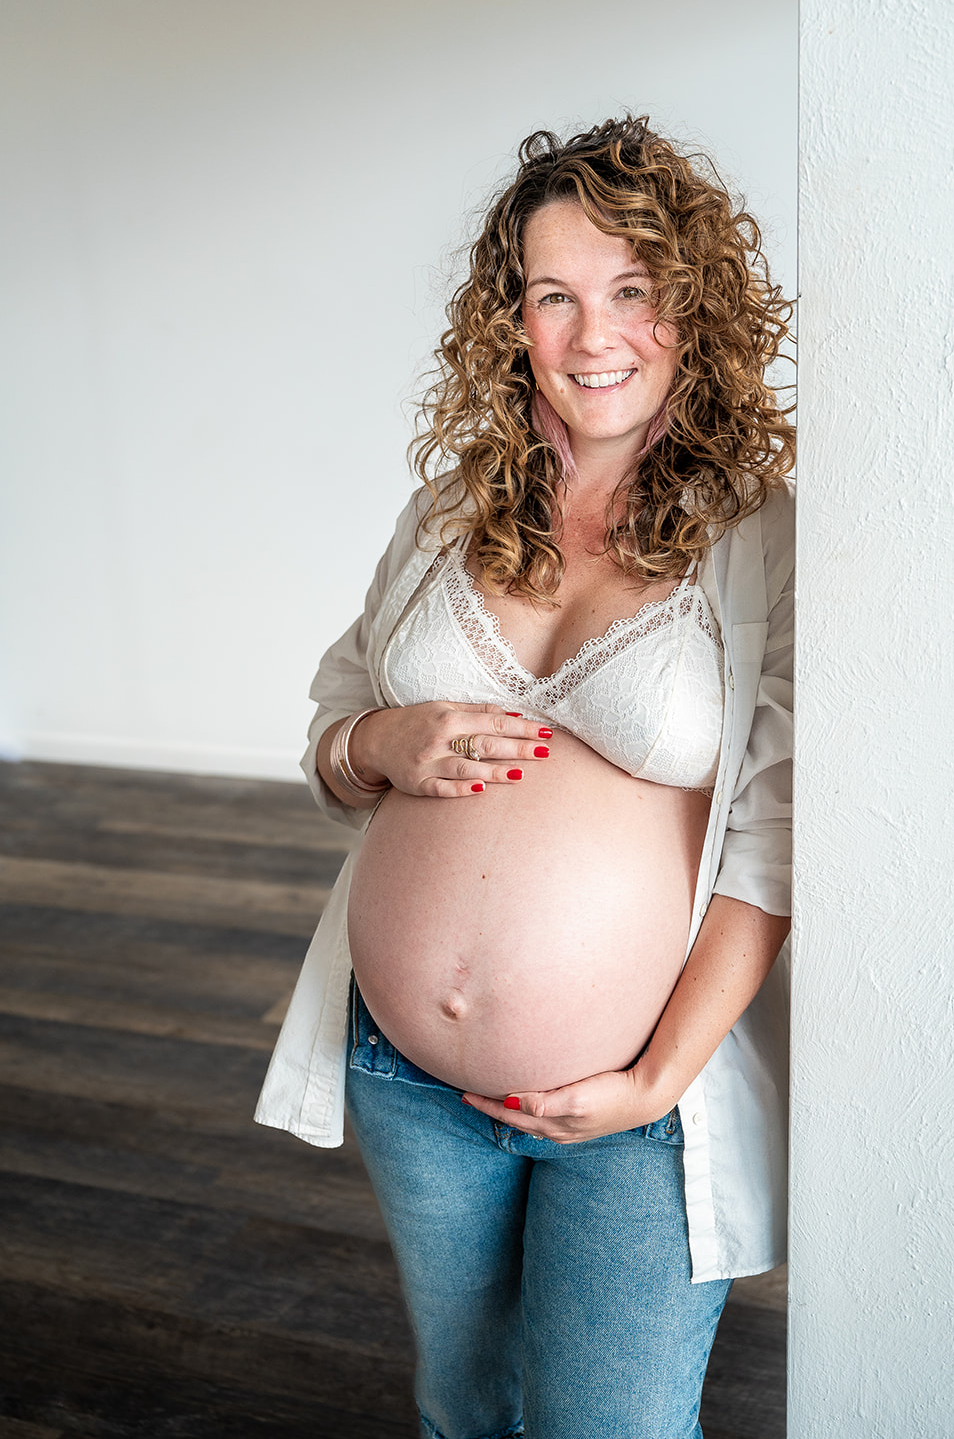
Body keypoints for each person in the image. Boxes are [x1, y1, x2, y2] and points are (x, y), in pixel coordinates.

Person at [256, 115, 795, 1439]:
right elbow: (338, 713)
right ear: (512, 320)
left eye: (631, 289)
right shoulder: (450, 509)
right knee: (463, 1409)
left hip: (636, 1103)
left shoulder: (760, 532)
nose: (593, 334)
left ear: (693, 305)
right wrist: (377, 745)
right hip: (406, 1077)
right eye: (553, 295)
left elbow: (773, 841)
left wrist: (654, 1081)